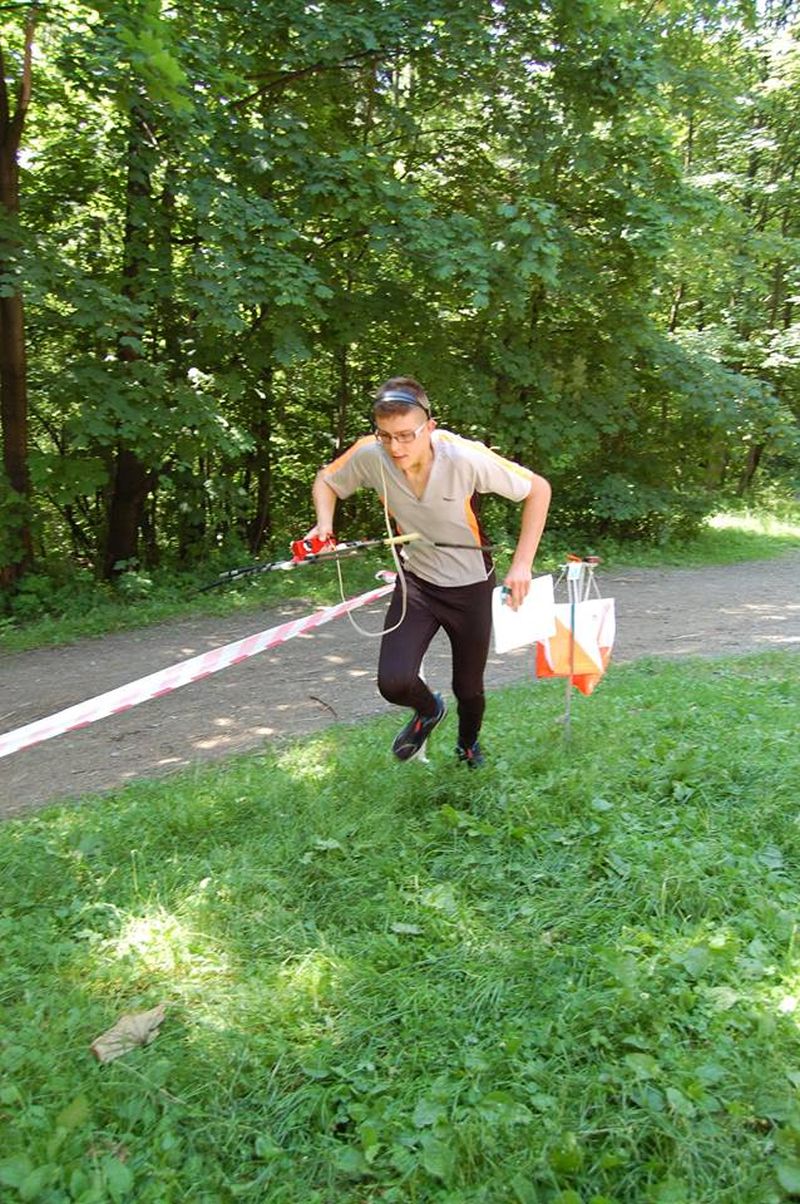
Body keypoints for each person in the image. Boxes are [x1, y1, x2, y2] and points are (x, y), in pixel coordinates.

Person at [305, 376, 551, 767]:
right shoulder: (371, 454)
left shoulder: (464, 457)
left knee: (468, 688)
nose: (396, 447)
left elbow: (538, 490)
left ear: (430, 427)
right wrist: (324, 525)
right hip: (417, 582)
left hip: (471, 586)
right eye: (386, 436)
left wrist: (522, 564)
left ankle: (467, 746)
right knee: (394, 681)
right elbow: (326, 480)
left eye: (406, 435)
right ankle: (429, 710)